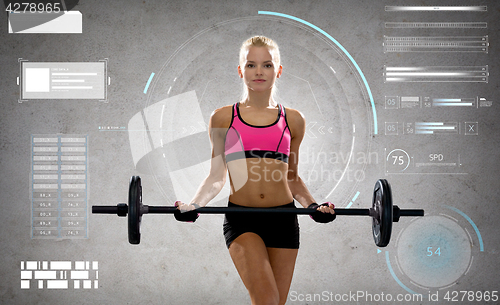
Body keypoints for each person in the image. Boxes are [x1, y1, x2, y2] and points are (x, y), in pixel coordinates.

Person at [175, 35, 336, 305]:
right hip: (242, 218)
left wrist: (313, 206)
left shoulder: (293, 120)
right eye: (251, 65)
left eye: (267, 65)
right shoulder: (224, 117)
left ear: (278, 70)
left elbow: (292, 177)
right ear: (240, 71)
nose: (259, 71)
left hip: (284, 220)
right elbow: (217, 176)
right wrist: (194, 205)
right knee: (266, 301)